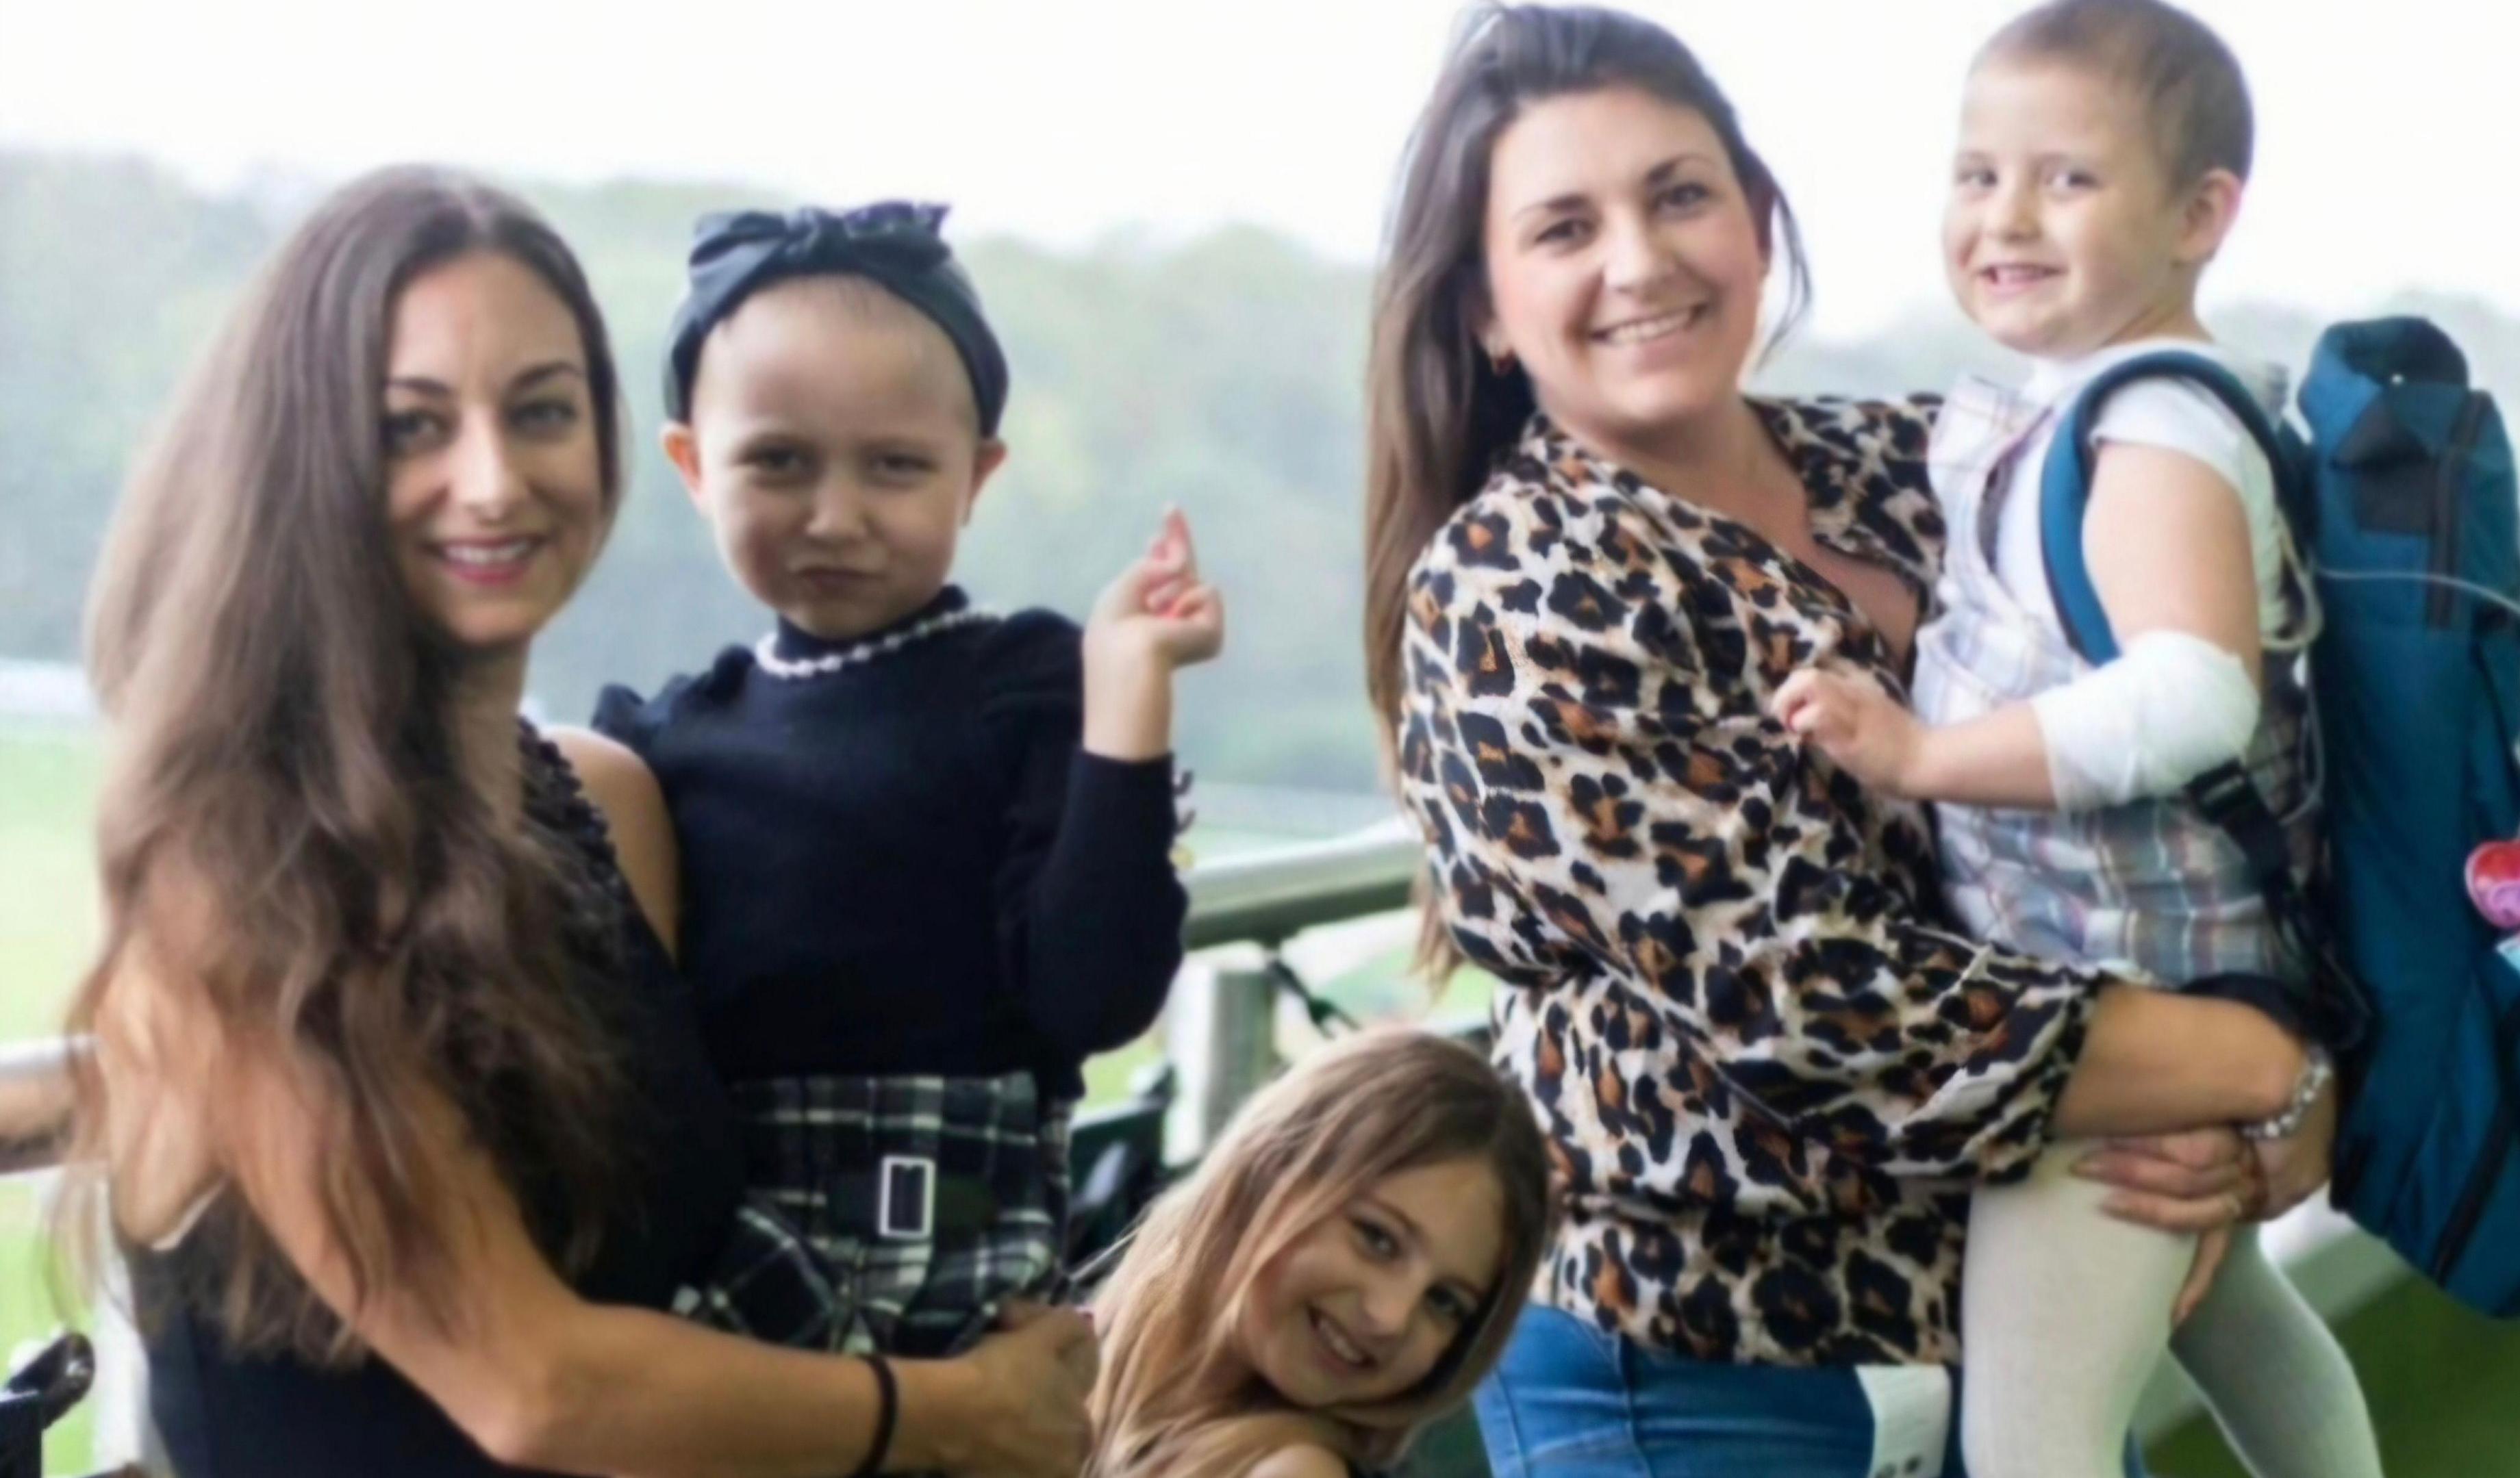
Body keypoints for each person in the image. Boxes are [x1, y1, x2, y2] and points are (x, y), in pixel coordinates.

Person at [1363, 8, 2337, 1473]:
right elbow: (1821, 1007)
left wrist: (2288, 1116)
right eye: (1566, 226)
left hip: (2027, 1291)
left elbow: (2205, 754)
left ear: (1757, 221)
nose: (1641, 259)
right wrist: (2261, 1055)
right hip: (1701, 1360)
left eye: (1681, 194)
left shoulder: (1929, 458)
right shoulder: (1519, 587)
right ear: (1491, 308)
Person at [61, 166, 1094, 1478]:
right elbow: (532, 1383)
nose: (494, 482)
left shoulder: (610, 802)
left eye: (541, 410)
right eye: (413, 426)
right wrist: (953, 1411)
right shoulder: (237, 874)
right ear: (303, 459)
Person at [1769, 3, 2380, 1473]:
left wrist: (1917, 757)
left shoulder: (2158, 422)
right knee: (2240, 1323)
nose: (2005, 215)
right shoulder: (2089, 406)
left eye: (2067, 179)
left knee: (2035, 1439)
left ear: (2200, 213)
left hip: (2126, 992)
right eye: (1976, 174)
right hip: (2130, 963)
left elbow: (2190, 693)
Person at [594, 201, 1220, 1357]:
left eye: (896, 466)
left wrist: (1129, 684)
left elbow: (1097, 994)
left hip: (958, 1265)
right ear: (691, 463)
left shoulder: (1022, 685)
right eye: (777, 460)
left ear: (975, 476)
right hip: (725, 1266)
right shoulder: (664, 738)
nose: (837, 515)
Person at [1087, 1028, 1550, 1478]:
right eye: (1378, 1238)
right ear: (1273, 1167)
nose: (1390, 1316)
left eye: (1445, 1302)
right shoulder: (1089, 1352)